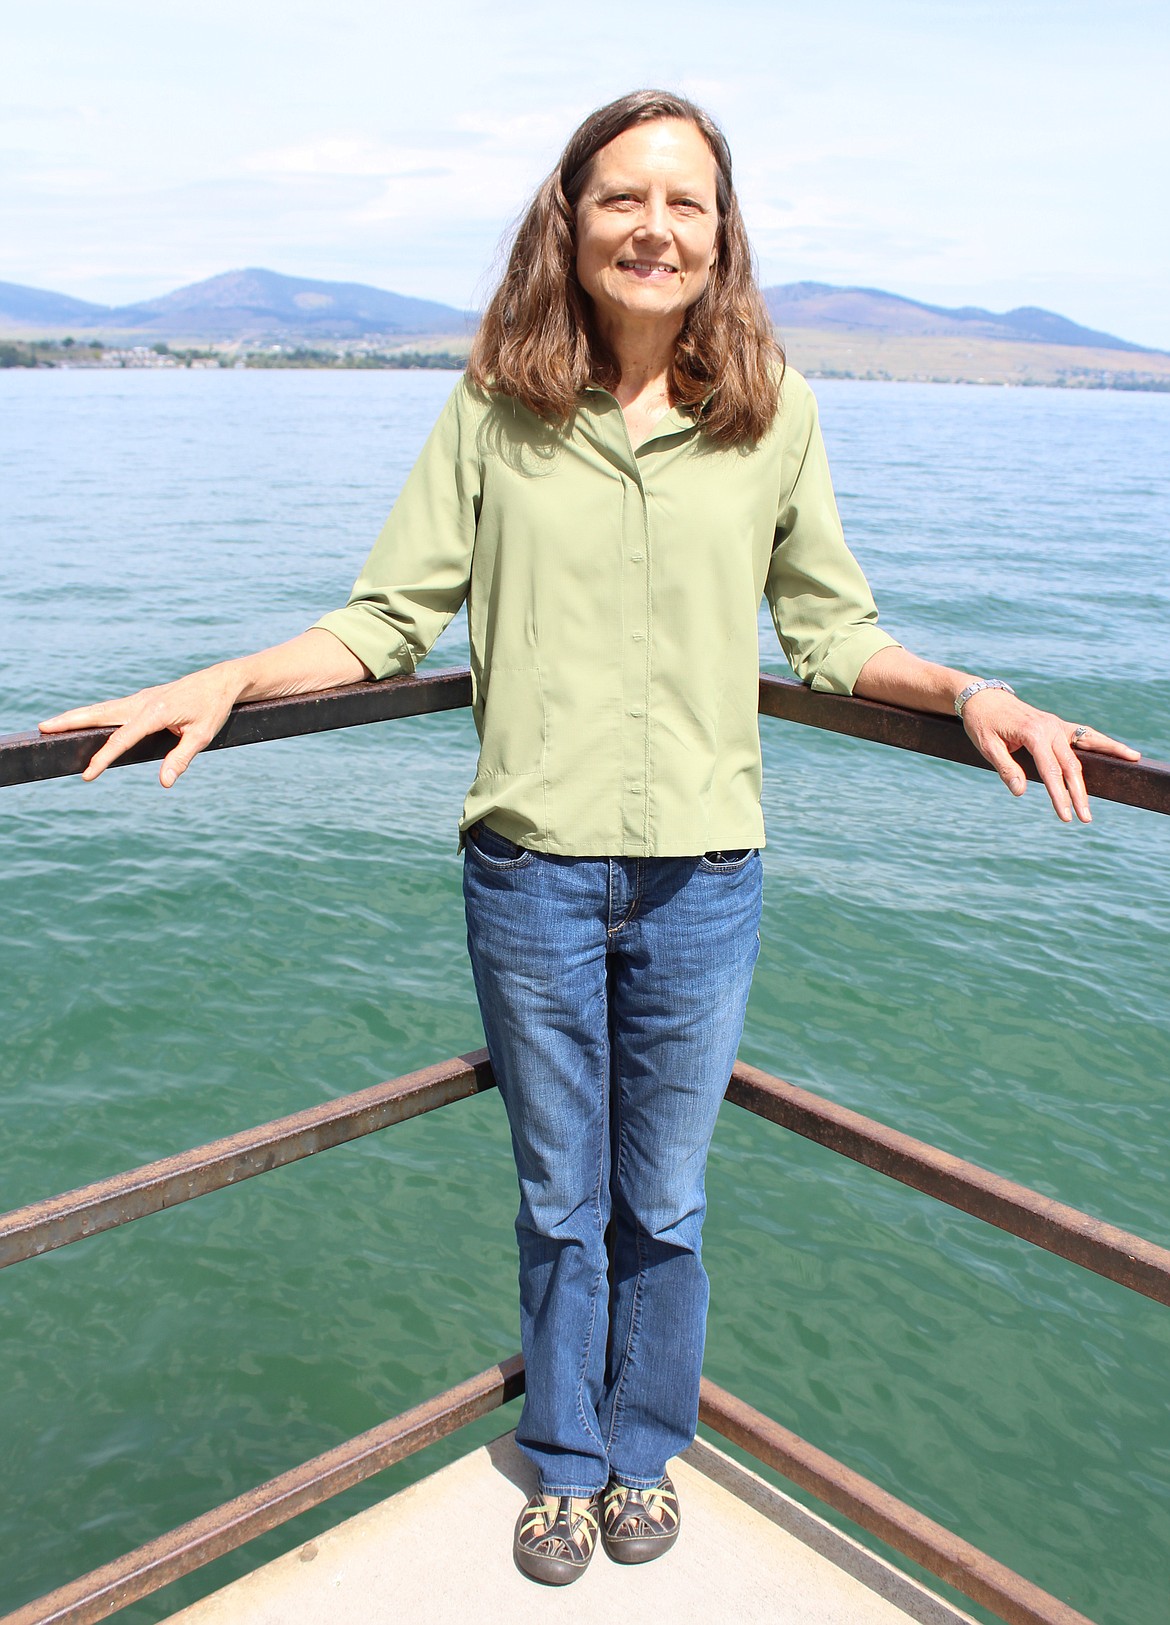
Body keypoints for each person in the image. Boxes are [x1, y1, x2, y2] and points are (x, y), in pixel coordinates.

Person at [41, 90, 1139, 1588]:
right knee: (560, 1195)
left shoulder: (771, 414)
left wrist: (968, 692)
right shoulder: (495, 408)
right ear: (572, 219)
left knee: (664, 1199)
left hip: (704, 881)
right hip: (530, 877)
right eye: (624, 198)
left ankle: (645, 1443)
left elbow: (829, 631)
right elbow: (386, 619)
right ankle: (562, 1459)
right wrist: (224, 677)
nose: (653, 227)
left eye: (684, 203)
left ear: (721, 234)